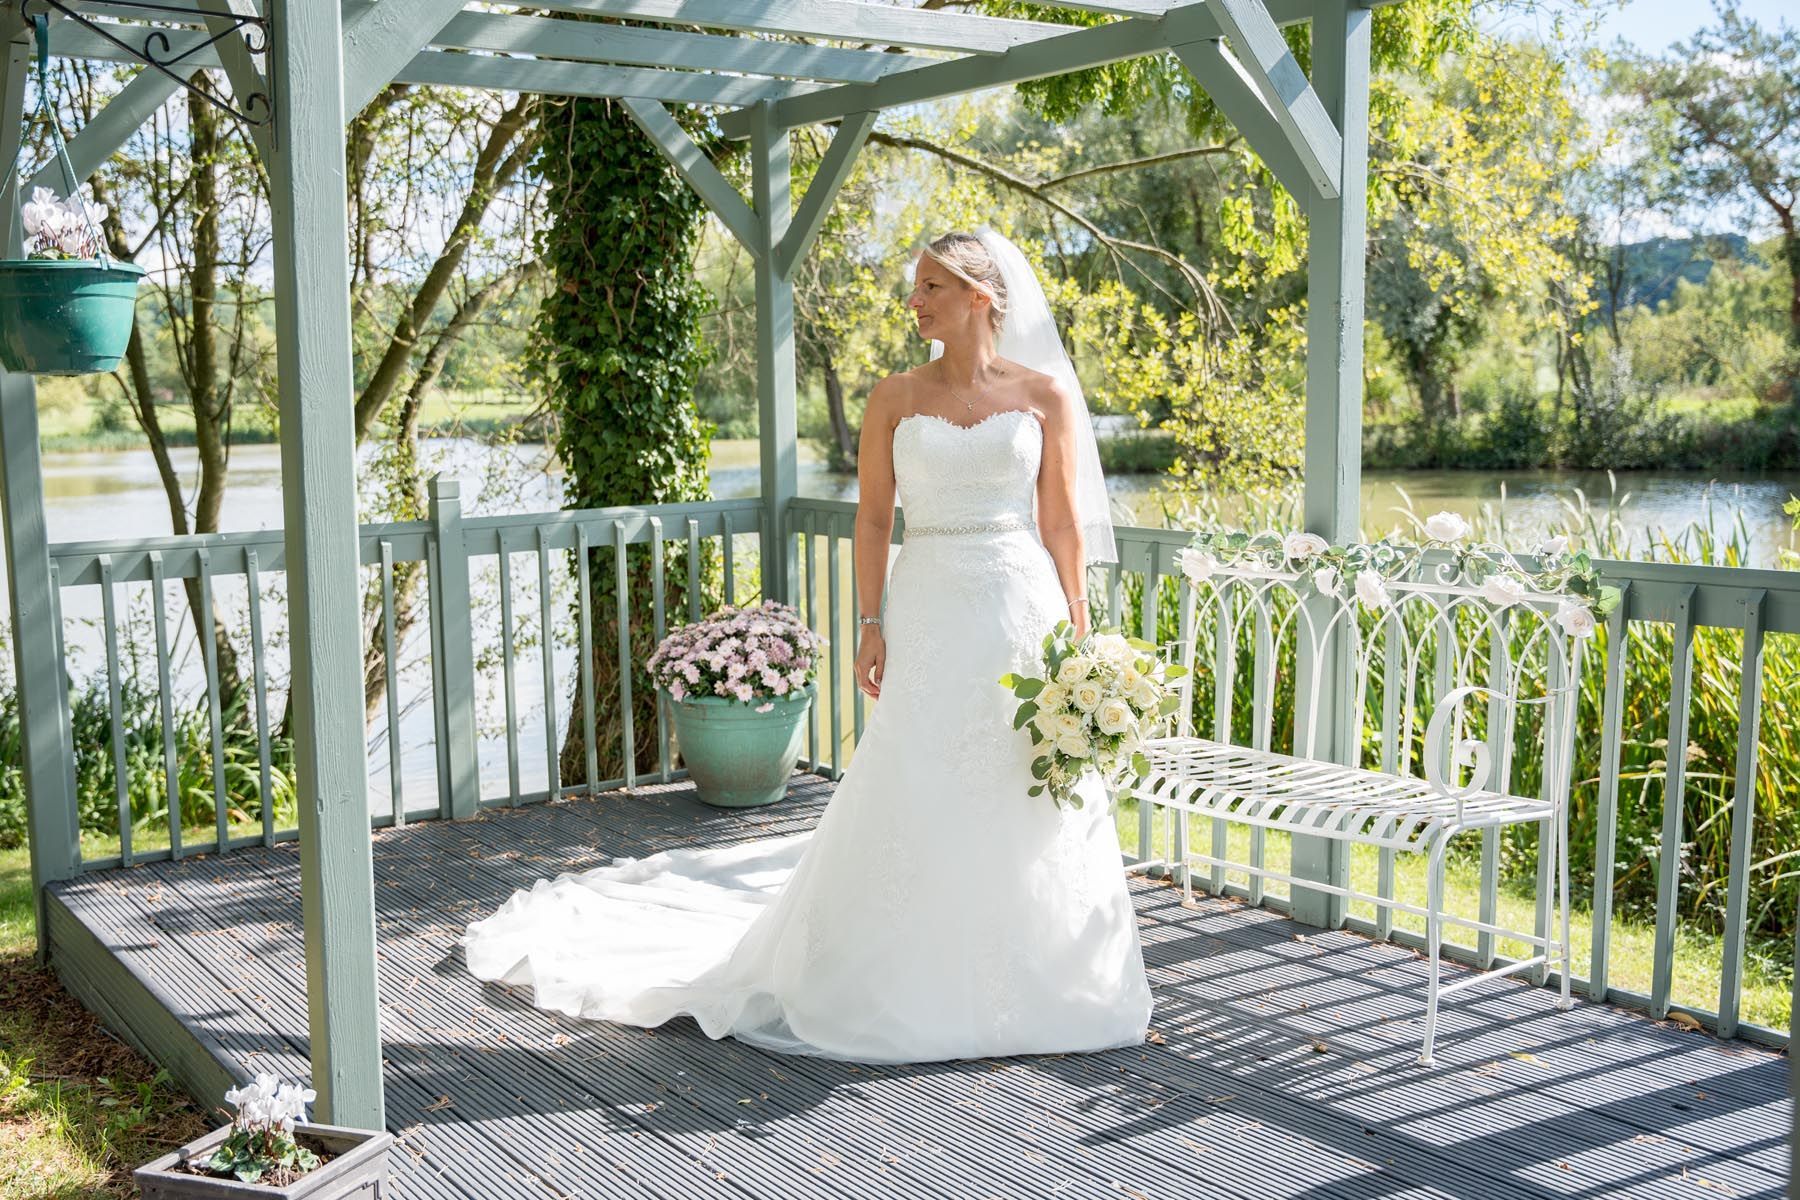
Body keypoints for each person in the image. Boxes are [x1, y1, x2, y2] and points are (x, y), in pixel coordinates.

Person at [462, 229, 1152, 1063]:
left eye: (932, 285)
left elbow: (1061, 523)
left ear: (980, 296)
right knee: (920, 768)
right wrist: (869, 622)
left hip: (1023, 608)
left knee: (1021, 779)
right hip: (931, 603)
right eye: (916, 284)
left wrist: (1079, 634)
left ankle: (1044, 970)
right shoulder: (894, 398)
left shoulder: (1043, 396)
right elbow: (871, 519)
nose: (915, 300)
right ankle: (907, 971)